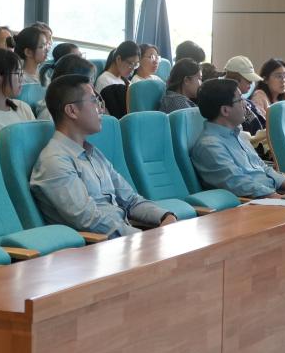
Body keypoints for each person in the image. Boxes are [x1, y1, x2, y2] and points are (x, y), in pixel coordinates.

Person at [30, 74, 177, 237]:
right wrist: (142, 237)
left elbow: (130, 199)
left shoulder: (92, 153)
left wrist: (165, 216)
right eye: (94, 101)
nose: (101, 109)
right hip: (97, 247)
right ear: (72, 110)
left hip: (125, 237)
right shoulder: (54, 161)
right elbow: (88, 220)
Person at [191, 78, 285, 198]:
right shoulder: (210, 146)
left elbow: (263, 168)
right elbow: (240, 185)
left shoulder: (238, 135)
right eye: (240, 100)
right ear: (225, 110)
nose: (246, 104)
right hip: (256, 203)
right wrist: (281, 199)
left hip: (272, 196)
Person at [222, 55, 268, 155]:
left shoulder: (249, 103)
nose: (251, 83)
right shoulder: (229, 107)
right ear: (234, 80)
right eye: (248, 80)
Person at [36, 53, 97, 119]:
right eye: (89, 81)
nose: (92, 86)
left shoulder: (71, 106)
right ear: (72, 83)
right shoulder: (50, 114)